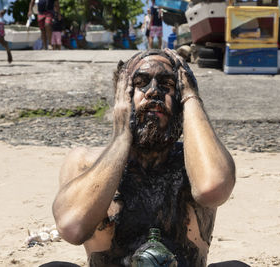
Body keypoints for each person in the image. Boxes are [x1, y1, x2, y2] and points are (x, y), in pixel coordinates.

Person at [52, 49, 236, 266]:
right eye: (140, 83)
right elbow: (71, 227)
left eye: (167, 86)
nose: (153, 92)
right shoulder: (85, 161)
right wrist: (121, 137)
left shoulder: (198, 164)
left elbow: (213, 188)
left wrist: (191, 96)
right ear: (121, 97)